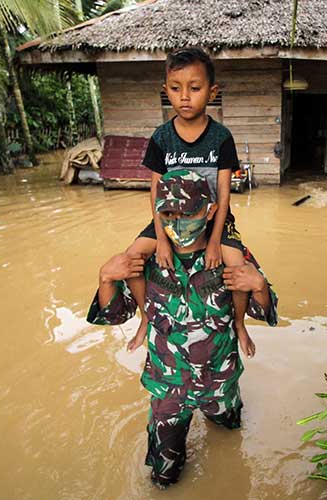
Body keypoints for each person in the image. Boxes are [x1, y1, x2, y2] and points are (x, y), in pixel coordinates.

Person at [88, 170, 278, 487]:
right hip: (169, 385)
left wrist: (259, 286)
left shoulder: (231, 256)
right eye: (168, 214)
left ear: (209, 211)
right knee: (164, 476)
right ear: (157, 215)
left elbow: (264, 310)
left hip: (220, 380)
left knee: (230, 436)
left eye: (187, 213)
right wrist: (105, 277)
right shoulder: (145, 260)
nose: (177, 223)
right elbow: (116, 314)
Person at [124, 47, 255, 357]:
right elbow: (155, 194)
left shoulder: (221, 137)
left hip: (213, 219)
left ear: (212, 92)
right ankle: (145, 316)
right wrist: (162, 240)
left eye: (194, 88)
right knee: (131, 258)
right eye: (175, 88)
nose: (184, 97)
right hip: (170, 219)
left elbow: (223, 195)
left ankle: (238, 323)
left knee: (236, 263)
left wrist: (213, 243)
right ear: (165, 90)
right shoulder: (161, 138)